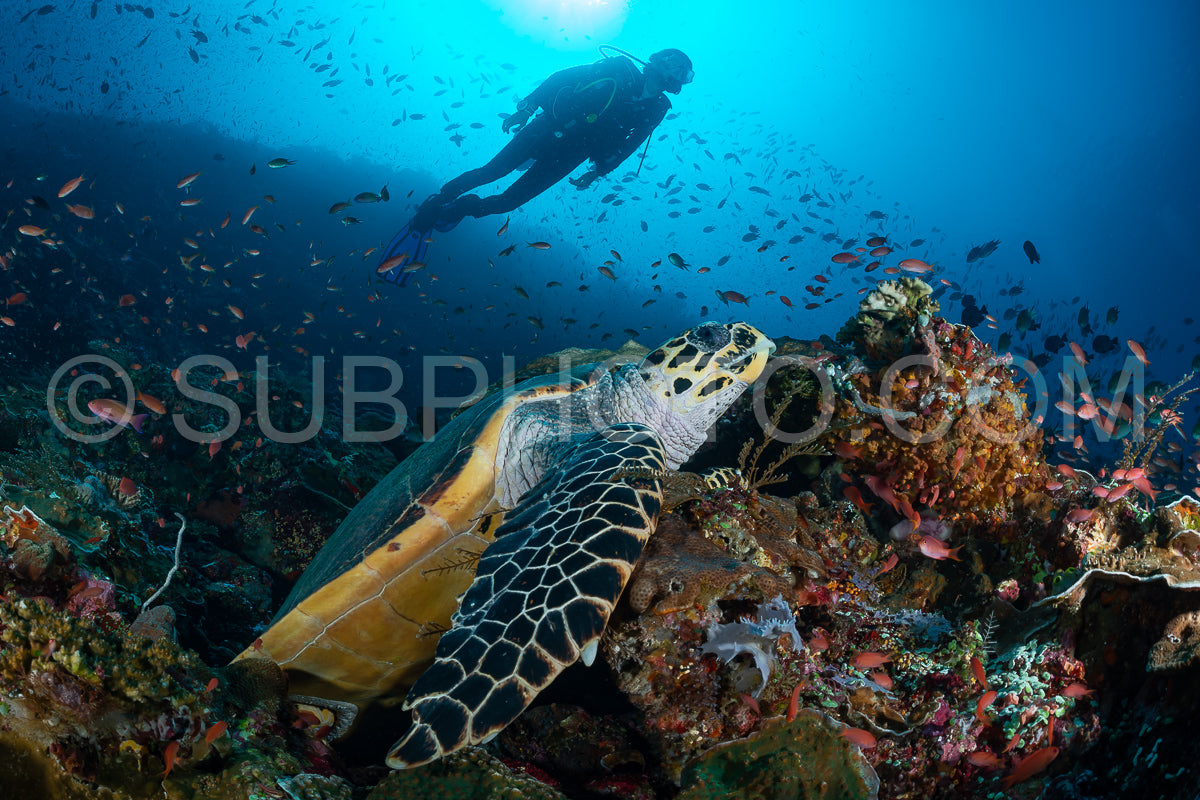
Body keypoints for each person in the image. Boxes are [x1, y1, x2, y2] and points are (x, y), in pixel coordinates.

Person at [378, 48, 693, 283]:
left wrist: (597, 172)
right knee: (491, 172)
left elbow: (631, 143)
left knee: (508, 201)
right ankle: (438, 201)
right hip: (546, 129)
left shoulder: (658, 107)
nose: (679, 75)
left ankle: (459, 209)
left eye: (685, 74)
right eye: (678, 67)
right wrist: (525, 109)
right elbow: (561, 78)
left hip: (573, 154)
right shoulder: (618, 68)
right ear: (659, 61)